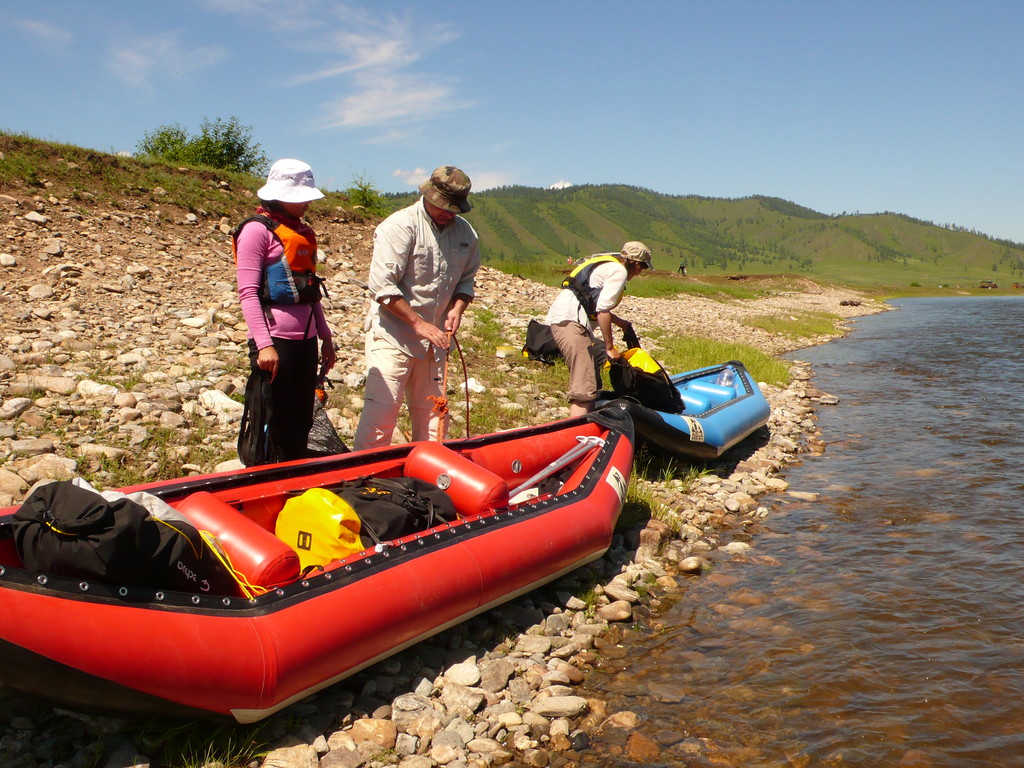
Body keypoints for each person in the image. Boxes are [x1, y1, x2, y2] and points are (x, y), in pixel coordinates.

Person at [353, 165, 480, 450]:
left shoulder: (466, 234)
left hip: (435, 340)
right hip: (393, 335)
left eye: (454, 209)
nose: (449, 213)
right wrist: (418, 324)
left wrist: (457, 308)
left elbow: (467, 281)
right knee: (380, 417)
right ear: (429, 196)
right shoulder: (400, 226)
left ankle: (427, 479)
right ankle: (364, 482)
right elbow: (382, 288)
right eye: (444, 207)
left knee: (435, 418)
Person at [233, 158, 335, 462]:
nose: (306, 203)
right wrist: (264, 345)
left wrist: (325, 337)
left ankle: (293, 478)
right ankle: (264, 478)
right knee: (273, 418)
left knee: (300, 418)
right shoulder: (255, 231)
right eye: (299, 197)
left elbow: (311, 292)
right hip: (275, 342)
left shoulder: (302, 232)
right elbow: (248, 292)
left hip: (306, 341)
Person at [544, 241, 653, 417]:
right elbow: (602, 311)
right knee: (584, 390)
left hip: (563, 319)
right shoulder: (619, 272)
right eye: (643, 268)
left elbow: (594, 304)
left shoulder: (607, 265)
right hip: (572, 322)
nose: (640, 272)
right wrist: (610, 347)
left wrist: (620, 323)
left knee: (589, 377)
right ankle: (579, 433)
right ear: (636, 264)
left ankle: (585, 421)